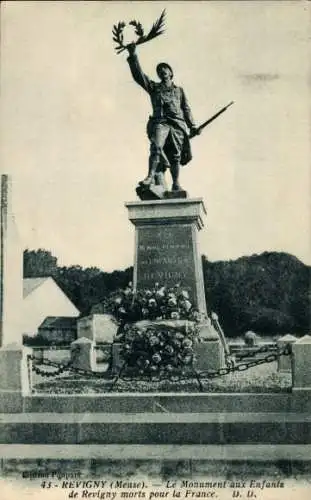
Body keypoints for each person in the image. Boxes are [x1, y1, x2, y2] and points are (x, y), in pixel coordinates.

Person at [126, 43, 199, 191]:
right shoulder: (154, 88)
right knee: (156, 146)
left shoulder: (179, 90)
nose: (162, 71)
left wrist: (193, 126)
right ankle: (150, 176)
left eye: (165, 68)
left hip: (177, 125)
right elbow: (139, 76)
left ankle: (176, 183)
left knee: (175, 157)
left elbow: (186, 108)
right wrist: (133, 55)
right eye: (159, 70)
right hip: (161, 123)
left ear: (171, 73)